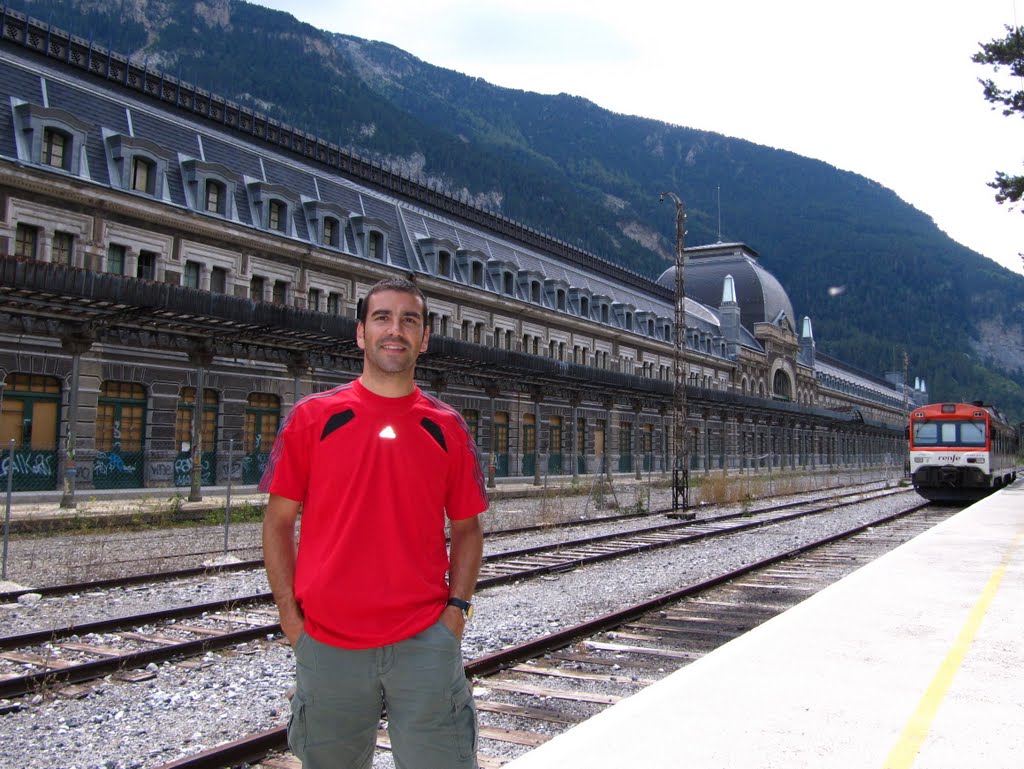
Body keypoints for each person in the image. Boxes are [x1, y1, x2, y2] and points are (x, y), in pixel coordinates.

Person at [260, 277, 488, 769]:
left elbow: (467, 529)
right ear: (360, 332)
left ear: (424, 338)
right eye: (382, 317)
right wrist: (290, 617)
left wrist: (456, 615)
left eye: (410, 320)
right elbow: (278, 522)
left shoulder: (446, 426)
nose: (395, 330)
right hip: (328, 642)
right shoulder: (311, 418)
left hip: (425, 638)